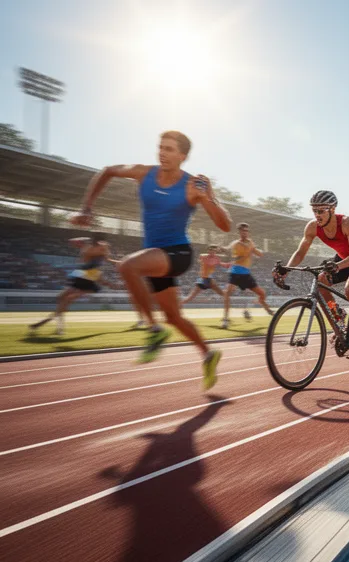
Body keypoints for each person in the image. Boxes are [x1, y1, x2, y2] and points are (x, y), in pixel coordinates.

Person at [68, 131, 232, 389]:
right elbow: (108, 171)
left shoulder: (191, 186)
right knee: (173, 318)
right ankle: (208, 354)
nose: (162, 153)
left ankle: (154, 331)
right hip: (155, 257)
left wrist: (209, 197)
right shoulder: (144, 173)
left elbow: (225, 226)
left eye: (169, 149)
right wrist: (86, 207)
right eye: (160, 147)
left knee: (128, 266)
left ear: (183, 156)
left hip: (178, 253)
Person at [274, 190, 349, 349]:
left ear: (332, 209)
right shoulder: (312, 227)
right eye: (314, 210)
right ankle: (338, 318)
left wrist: (337, 266)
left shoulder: (347, 223)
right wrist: (286, 269)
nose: (317, 215)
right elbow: (300, 252)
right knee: (321, 281)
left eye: (321, 211)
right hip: (341, 259)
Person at [29, 233, 114, 335]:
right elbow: (75, 243)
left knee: (66, 299)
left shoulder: (95, 247)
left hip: (87, 273)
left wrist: (89, 241)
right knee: (62, 298)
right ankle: (58, 327)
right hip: (83, 272)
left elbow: (74, 243)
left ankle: (54, 324)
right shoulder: (95, 247)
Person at [221, 223, 273, 328]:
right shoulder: (236, 244)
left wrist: (257, 251)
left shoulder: (250, 243)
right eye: (243, 230)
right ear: (239, 232)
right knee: (227, 293)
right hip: (235, 272)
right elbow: (235, 258)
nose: (245, 232)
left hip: (246, 274)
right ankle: (226, 319)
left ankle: (267, 310)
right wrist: (246, 253)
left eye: (246, 231)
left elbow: (259, 253)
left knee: (262, 294)